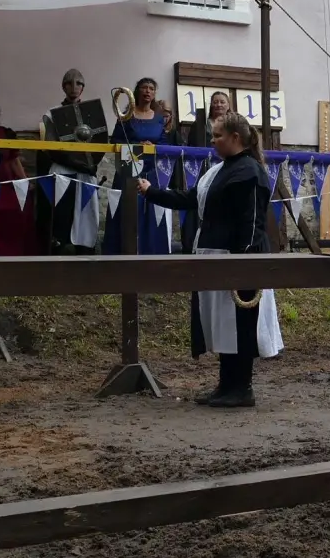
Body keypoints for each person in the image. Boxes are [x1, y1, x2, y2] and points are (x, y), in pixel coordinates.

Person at [138, 112, 282, 408]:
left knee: (241, 325)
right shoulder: (217, 170)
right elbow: (191, 200)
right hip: (214, 257)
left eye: (217, 136)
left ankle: (242, 388)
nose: (213, 141)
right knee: (221, 325)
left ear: (235, 138)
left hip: (238, 259)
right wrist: (152, 192)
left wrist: (242, 262)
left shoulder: (250, 172)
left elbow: (252, 221)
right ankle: (225, 385)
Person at [105, 77, 180, 255]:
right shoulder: (126, 117)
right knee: (128, 210)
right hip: (129, 169)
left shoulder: (159, 118)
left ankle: (151, 251)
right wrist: (137, 144)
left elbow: (164, 144)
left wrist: (153, 147)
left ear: (154, 94)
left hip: (151, 171)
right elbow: (116, 140)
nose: (147, 91)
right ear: (137, 91)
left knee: (153, 209)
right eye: (144, 88)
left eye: (151, 88)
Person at [35, 69, 100, 254]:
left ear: (83, 87)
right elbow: (51, 147)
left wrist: (90, 164)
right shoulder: (53, 113)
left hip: (86, 172)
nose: (74, 87)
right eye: (69, 83)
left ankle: (85, 251)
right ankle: (58, 251)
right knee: (61, 215)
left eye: (78, 83)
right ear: (63, 87)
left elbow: (98, 141)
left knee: (87, 215)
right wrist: (77, 164)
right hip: (62, 171)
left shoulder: (91, 113)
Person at [0, 100, 36, 255]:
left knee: (15, 212)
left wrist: (25, 181)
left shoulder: (5, 134)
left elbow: (14, 160)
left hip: (5, 185)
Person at [179, 90, 233, 253]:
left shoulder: (233, 124)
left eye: (222, 102)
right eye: (215, 102)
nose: (218, 104)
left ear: (228, 105)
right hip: (203, 170)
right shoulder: (201, 124)